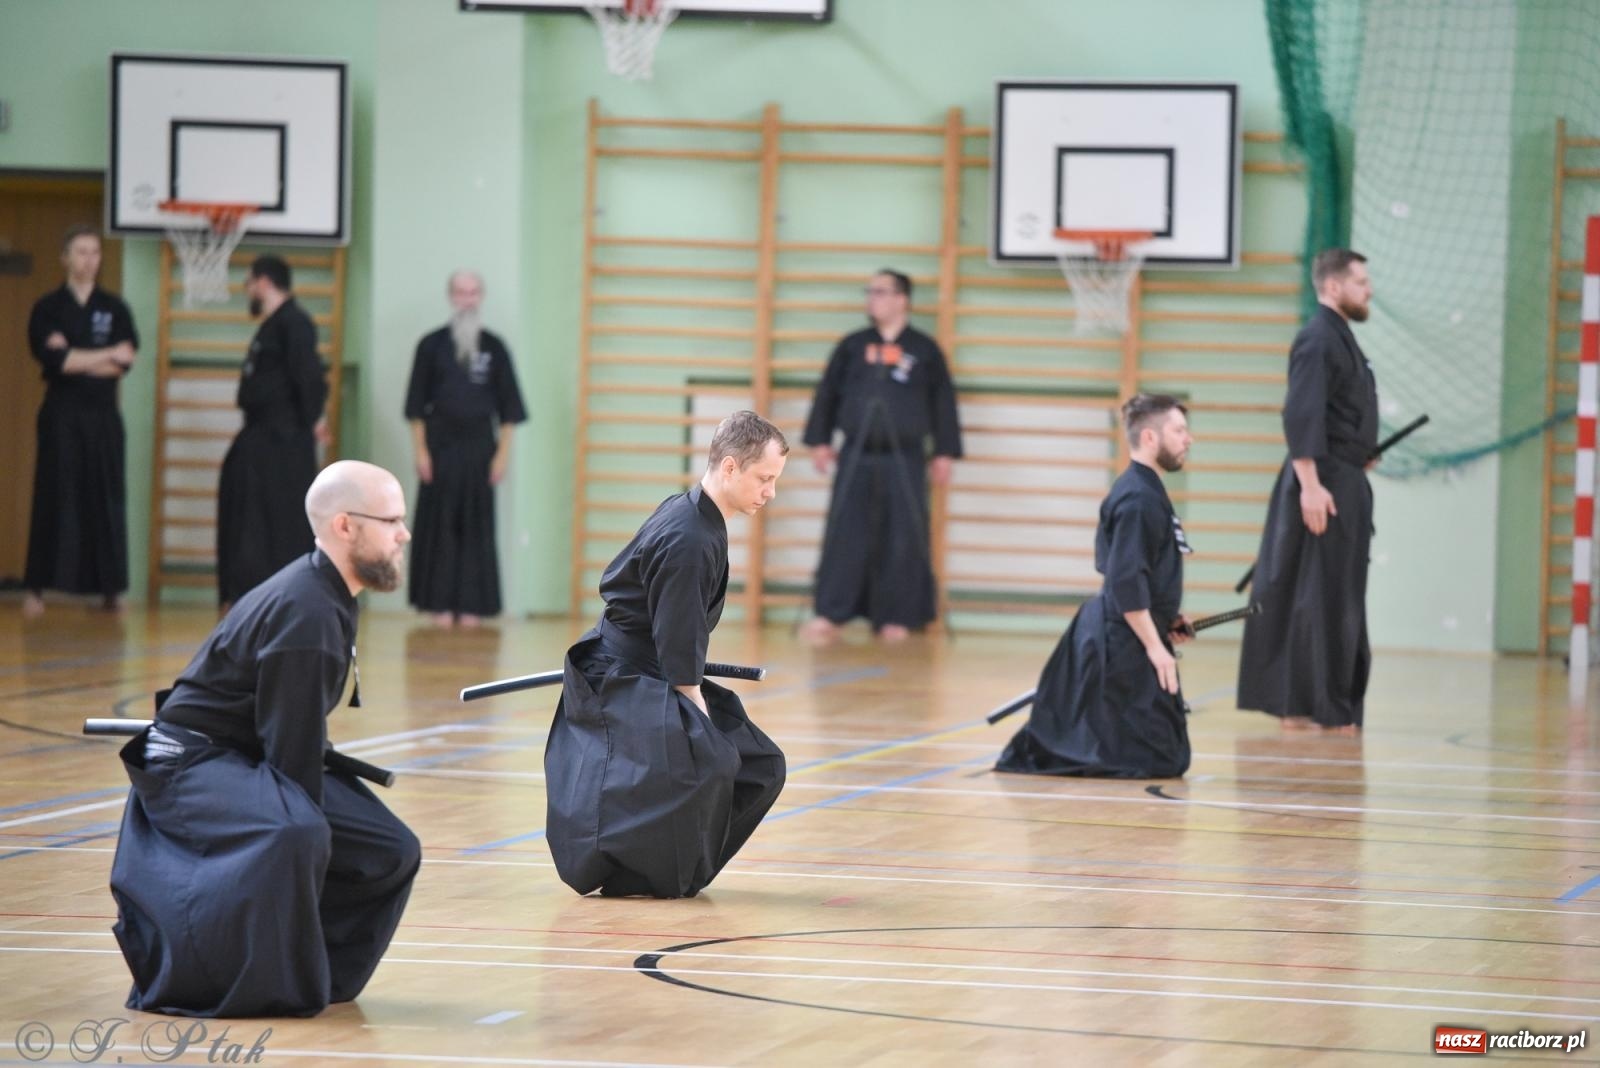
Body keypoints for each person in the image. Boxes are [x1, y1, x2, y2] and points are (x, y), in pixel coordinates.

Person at [109, 460, 420, 1018]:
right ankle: (247, 980)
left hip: (242, 755)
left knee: (388, 850)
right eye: (392, 520)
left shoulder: (329, 594)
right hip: (188, 762)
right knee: (298, 830)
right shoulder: (307, 612)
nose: (404, 533)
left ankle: (319, 974)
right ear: (345, 526)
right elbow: (292, 764)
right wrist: (311, 832)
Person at [545, 411, 789, 899]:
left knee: (760, 764)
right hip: (619, 678)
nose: (770, 492)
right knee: (712, 758)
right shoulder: (690, 538)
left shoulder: (699, 516)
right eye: (764, 479)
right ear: (729, 468)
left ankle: (676, 871)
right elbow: (680, 642)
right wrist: (695, 709)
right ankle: (640, 874)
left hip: (648, 670)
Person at [995, 394, 1196, 779]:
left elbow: (1148, 573)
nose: (1188, 439)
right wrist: (1156, 647)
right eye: (1179, 430)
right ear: (1151, 438)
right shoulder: (1137, 497)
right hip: (1118, 642)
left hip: (1131, 631)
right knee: (1160, 760)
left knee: (1168, 755)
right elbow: (1125, 581)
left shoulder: (1148, 489)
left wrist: (1167, 619)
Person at [1236, 249, 1378, 735]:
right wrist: (1311, 486)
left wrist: (1360, 449)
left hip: (1342, 476)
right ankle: (1308, 707)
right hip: (1321, 484)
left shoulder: (1341, 340)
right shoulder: (1317, 339)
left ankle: (1322, 705)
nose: (1369, 289)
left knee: (1335, 595)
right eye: (1360, 281)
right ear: (1334, 287)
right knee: (1315, 595)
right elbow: (1301, 415)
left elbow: (1337, 413)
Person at [800, 269, 962, 643]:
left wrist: (944, 452)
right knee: (845, 532)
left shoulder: (923, 349)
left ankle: (897, 617)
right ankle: (832, 613)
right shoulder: (853, 346)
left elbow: (942, 401)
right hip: (855, 453)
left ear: (902, 299)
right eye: (869, 292)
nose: (871, 298)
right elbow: (828, 394)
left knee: (903, 536)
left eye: (880, 292)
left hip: (904, 457)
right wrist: (820, 441)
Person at [21, 225, 138, 618]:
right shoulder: (48, 308)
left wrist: (76, 356)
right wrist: (99, 356)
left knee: (106, 497)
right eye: (81, 252)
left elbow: (124, 363)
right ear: (66, 258)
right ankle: (36, 588)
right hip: (61, 417)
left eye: (95, 252)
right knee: (53, 494)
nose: (90, 259)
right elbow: (57, 362)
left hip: (103, 418)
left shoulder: (114, 308)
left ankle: (110, 590)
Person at [403, 270, 527, 627]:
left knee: (476, 528)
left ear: (481, 297)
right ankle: (438, 605)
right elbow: (415, 407)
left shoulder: (494, 347)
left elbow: (509, 412)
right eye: (460, 292)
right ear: (451, 296)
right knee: (438, 527)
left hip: (480, 450)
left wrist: (501, 455)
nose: (467, 299)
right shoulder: (431, 345)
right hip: (439, 449)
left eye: (473, 293)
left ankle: (473, 607)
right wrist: (421, 452)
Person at [216, 254, 329, 610]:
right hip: (262, 436)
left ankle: (283, 593)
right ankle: (249, 592)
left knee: (280, 518)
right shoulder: (274, 325)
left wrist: (313, 420)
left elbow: (309, 378)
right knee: (247, 513)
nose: (248, 290)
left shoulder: (294, 323)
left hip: (283, 440)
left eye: (249, 283)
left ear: (263, 283)